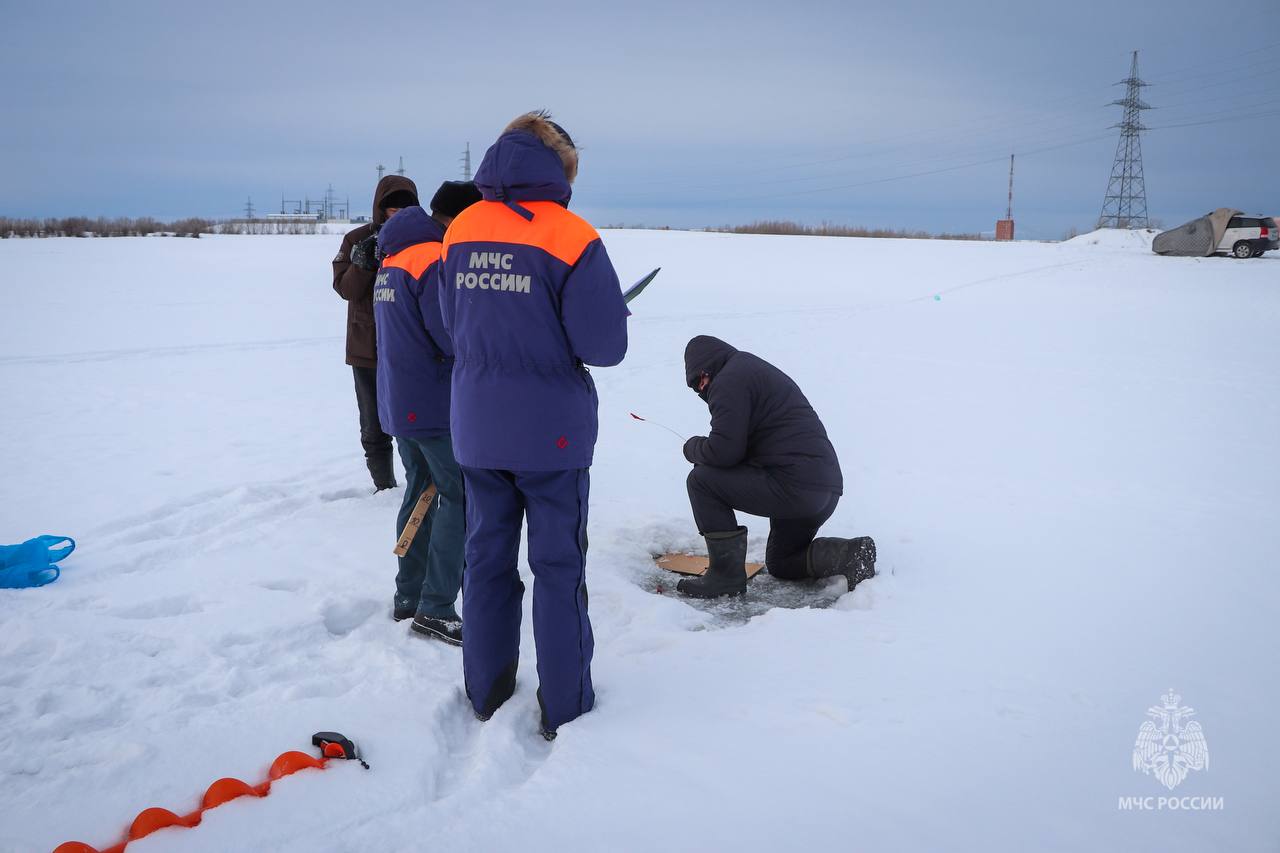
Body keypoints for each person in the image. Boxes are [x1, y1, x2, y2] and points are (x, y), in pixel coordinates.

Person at [439, 111, 628, 739]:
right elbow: (603, 345)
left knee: (485, 560)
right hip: (552, 435)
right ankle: (565, 705)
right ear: (560, 169)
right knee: (557, 569)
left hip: (476, 427)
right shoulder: (572, 236)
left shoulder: (461, 228)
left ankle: (485, 691)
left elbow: (452, 320)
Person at [677, 335, 876, 599]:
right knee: (783, 562)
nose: (701, 390)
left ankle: (725, 578)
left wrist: (691, 448)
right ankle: (850, 554)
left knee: (701, 480)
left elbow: (724, 452)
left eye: (699, 382)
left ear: (706, 368)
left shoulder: (728, 380)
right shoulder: (750, 370)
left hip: (793, 486)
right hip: (824, 490)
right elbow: (744, 446)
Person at [372, 181, 483, 643]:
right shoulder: (431, 259)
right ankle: (436, 606)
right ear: (457, 219)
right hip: (434, 404)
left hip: (400, 401)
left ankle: (408, 595)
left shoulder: (392, 258)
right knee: (457, 496)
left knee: (420, 490)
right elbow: (447, 336)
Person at [332, 174, 419, 490]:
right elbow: (346, 290)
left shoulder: (423, 240)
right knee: (373, 425)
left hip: (410, 346)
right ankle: (384, 487)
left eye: (404, 206)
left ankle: (419, 484)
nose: (396, 211)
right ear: (379, 208)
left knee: (414, 421)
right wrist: (363, 263)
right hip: (366, 346)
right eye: (390, 206)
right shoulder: (356, 239)